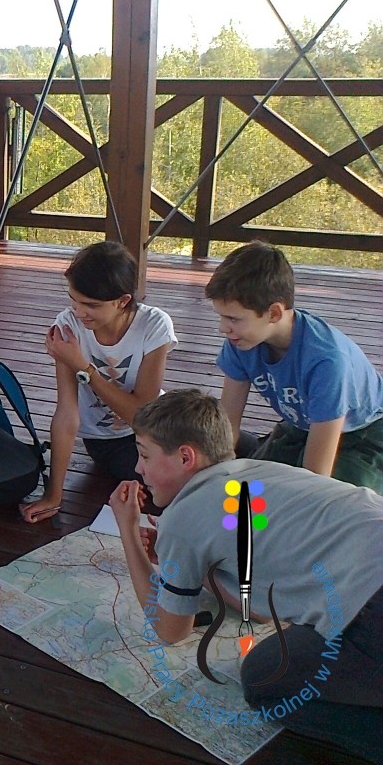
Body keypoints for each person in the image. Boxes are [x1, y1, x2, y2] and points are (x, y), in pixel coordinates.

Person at [110, 389, 383, 764]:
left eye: (144, 455)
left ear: (186, 457)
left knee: (265, 680)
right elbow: (263, 610)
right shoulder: (259, 472)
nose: (138, 469)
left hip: (373, 608)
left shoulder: (183, 516)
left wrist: (128, 531)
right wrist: (192, 566)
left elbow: (170, 629)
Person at [205, 241, 383, 493]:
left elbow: (316, 475)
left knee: (327, 500)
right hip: (303, 425)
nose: (223, 328)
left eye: (233, 318)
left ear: (274, 314)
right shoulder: (241, 341)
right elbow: (227, 426)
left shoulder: (327, 362)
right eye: (221, 316)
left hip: (363, 433)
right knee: (250, 488)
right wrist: (214, 483)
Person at [20, 241, 177, 523]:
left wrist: (84, 368)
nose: (79, 311)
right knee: (173, 481)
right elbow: (67, 415)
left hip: (156, 426)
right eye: (74, 300)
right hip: (109, 441)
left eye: (91, 305)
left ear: (123, 301)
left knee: (218, 454)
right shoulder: (68, 327)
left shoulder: (154, 324)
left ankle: (252, 524)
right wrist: (54, 495)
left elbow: (142, 416)